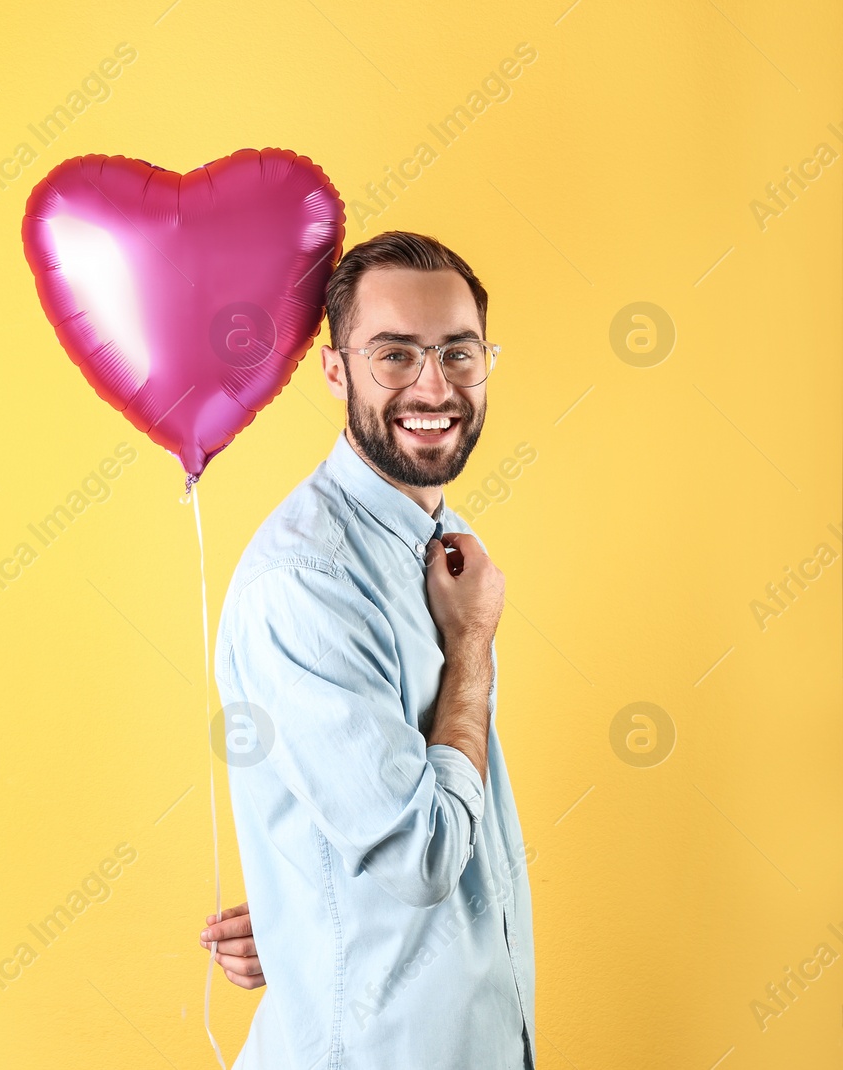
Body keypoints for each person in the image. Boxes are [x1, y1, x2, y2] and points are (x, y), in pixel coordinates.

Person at [198, 231, 536, 1068]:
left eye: (458, 351)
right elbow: (422, 856)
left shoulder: (448, 544)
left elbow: (392, 821)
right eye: (395, 355)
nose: (434, 385)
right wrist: (471, 652)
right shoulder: (307, 582)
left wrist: (304, 912)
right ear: (336, 370)